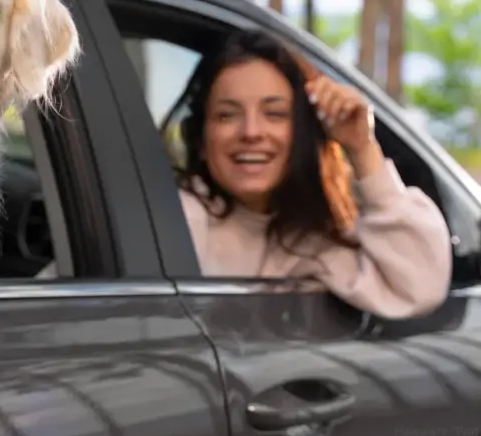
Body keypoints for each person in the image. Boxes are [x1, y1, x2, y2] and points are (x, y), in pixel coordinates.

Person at [168, 30, 450, 319]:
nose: (251, 132)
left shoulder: (313, 239)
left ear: (304, 133)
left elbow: (420, 288)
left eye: (275, 114)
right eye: (227, 115)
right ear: (201, 140)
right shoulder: (178, 220)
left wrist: (363, 150)